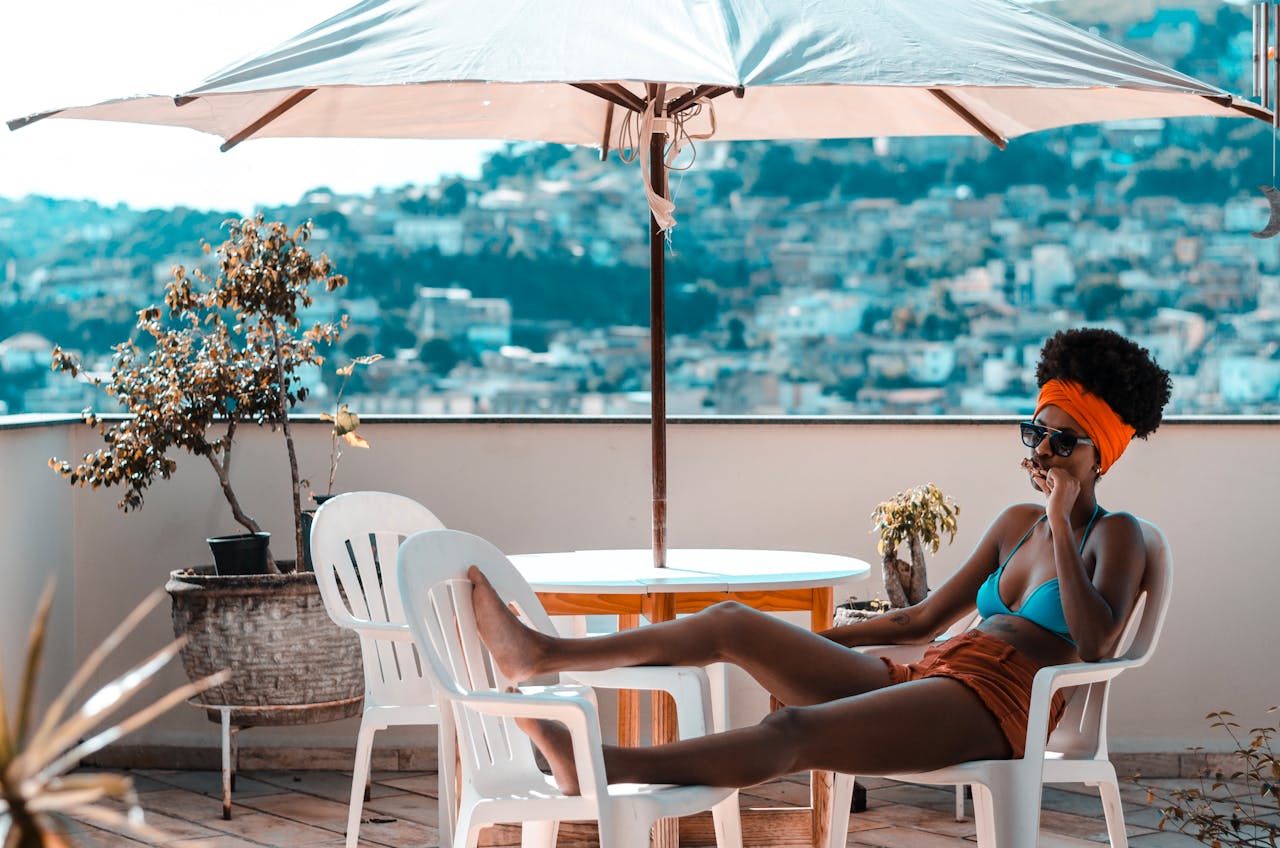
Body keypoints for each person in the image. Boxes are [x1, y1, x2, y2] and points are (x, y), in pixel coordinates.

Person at [469, 327, 1172, 794]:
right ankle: (542, 653)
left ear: (1100, 453)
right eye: (1036, 431)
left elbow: (1095, 641)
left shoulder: (1118, 537)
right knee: (733, 623)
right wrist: (815, 645)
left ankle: (595, 766)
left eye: (1063, 441)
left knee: (792, 733)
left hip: (1002, 705)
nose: (1042, 452)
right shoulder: (1014, 524)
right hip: (934, 670)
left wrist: (1061, 514)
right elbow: (919, 619)